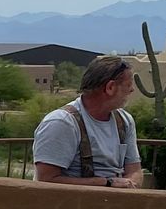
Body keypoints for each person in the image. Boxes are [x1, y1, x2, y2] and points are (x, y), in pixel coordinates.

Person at [32, 55, 142, 188]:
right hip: (73, 205)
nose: (131, 90)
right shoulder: (62, 123)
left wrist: (129, 185)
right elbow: (46, 181)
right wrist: (106, 183)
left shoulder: (125, 121)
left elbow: (135, 170)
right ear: (110, 87)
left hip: (115, 205)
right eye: (128, 85)